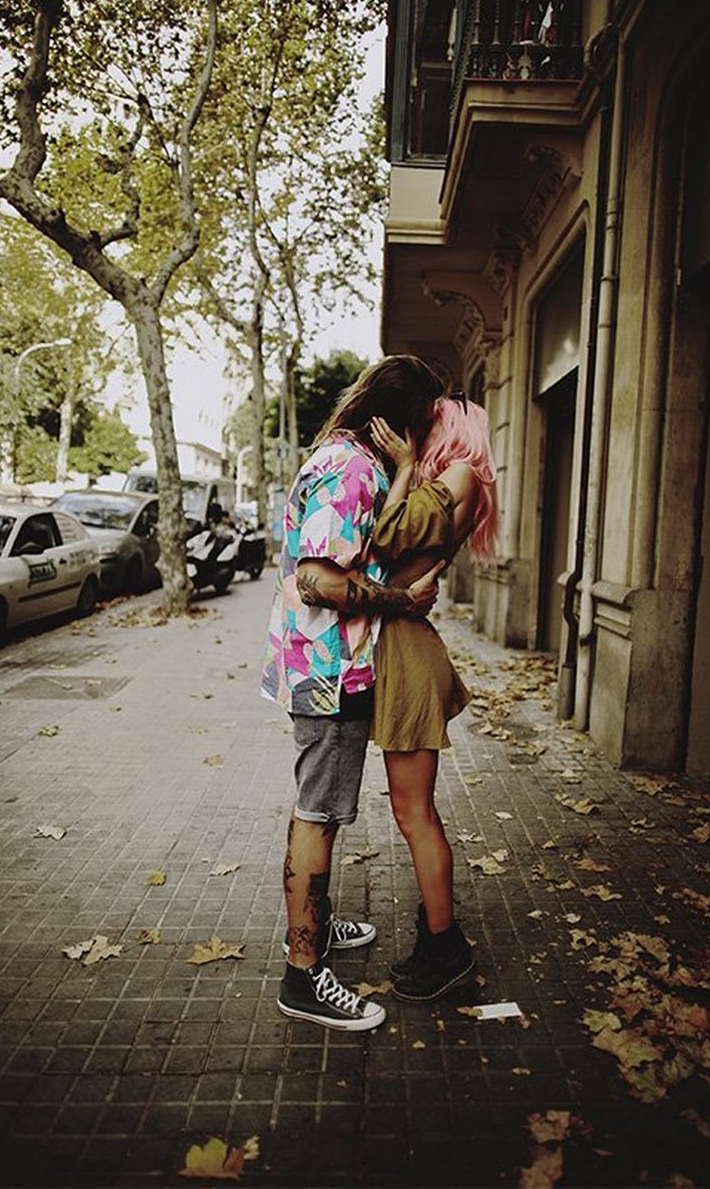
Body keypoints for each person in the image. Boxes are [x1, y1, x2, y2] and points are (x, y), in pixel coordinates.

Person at [262, 354, 446, 1032]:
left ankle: (317, 930)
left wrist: (401, 475)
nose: (429, 439)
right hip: (331, 674)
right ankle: (303, 975)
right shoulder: (349, 470)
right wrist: (402, 599)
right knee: (319, 813)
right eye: (424, 424)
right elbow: (319, 580)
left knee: (319, 809)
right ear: (399, 423)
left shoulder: (349, 458)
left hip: (325, 667)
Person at [367, 392, 498, 1002]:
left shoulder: (460, 474)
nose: (417, 431)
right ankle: (438, 935)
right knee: (412, 811)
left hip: (410, 657)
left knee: (413, 813)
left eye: (428, 423)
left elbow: (388, 536)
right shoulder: (457, 481)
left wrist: (401, 467)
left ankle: (445, 950)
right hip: (405, 648)